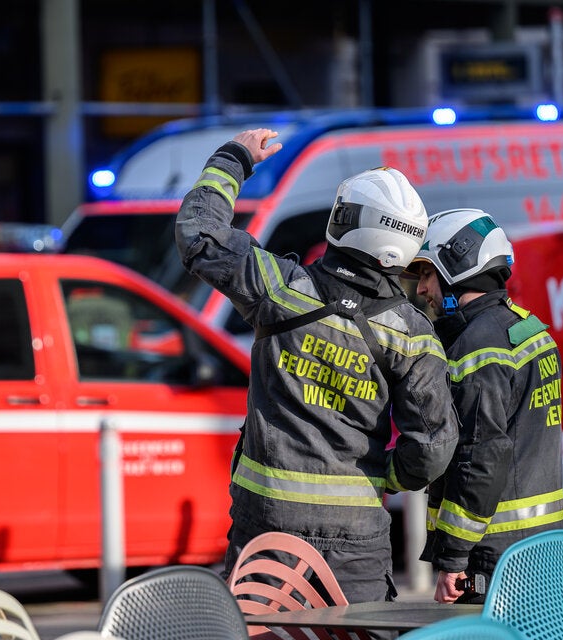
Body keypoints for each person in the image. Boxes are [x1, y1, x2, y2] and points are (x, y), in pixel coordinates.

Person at [175, 129, 460, 620]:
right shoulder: (413, 334)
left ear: (345, 222)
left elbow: (199, 234)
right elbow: (433, 445)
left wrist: (233, 157)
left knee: (264, 632)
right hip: (357, 539)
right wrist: (385, 475)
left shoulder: (280, 288)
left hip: (268, 525)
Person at [404, 208, 563, 604]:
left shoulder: (476, 348)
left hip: (494, 555)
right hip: (547, 546)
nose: (421, 289)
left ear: (455, 267)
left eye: (426, 274)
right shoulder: (528, 329)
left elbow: (480, 456)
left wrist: (454, 558)